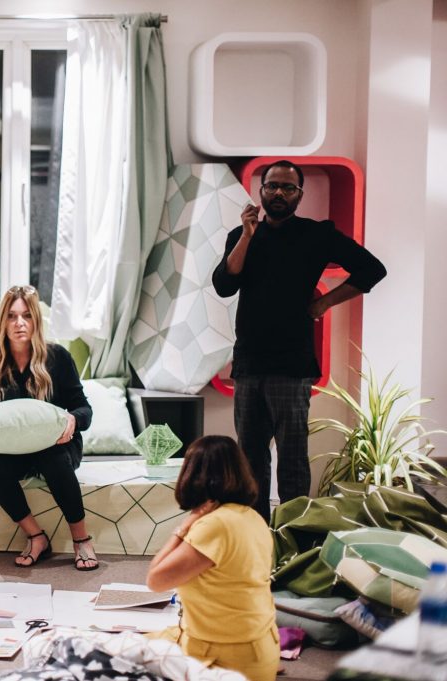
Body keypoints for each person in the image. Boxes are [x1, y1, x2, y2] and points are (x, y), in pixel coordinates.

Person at [211, 160, 386, 520]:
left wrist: (324, 302)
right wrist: (246, 234)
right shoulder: (243, 234)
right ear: (260, 191)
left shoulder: (317, 234)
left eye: (287, 188)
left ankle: (293, 539)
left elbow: (373, 269)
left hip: (292, 365)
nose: (278, 192)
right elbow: (224, 285)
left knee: (291, 460)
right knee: (250, 461)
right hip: (248, 364)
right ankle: (256, 537)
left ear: (299, 195)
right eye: (272, 185)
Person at [0, 285, 97, 571]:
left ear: (36, 321)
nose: (19, 324)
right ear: (3, 321)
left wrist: (73, 420)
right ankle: (36, 535)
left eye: (27, 316)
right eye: (12, 316)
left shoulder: (58, 358)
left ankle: (81, 540)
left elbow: (84, 409)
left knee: (53, 459)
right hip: (7, 450)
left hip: (54, 445)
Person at [145, 435, 278, 681]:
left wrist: (185, 525)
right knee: (142, 642)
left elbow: (155, 580)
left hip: (226, 660)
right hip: (260, 646)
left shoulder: (214, 525)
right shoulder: (252, 516)